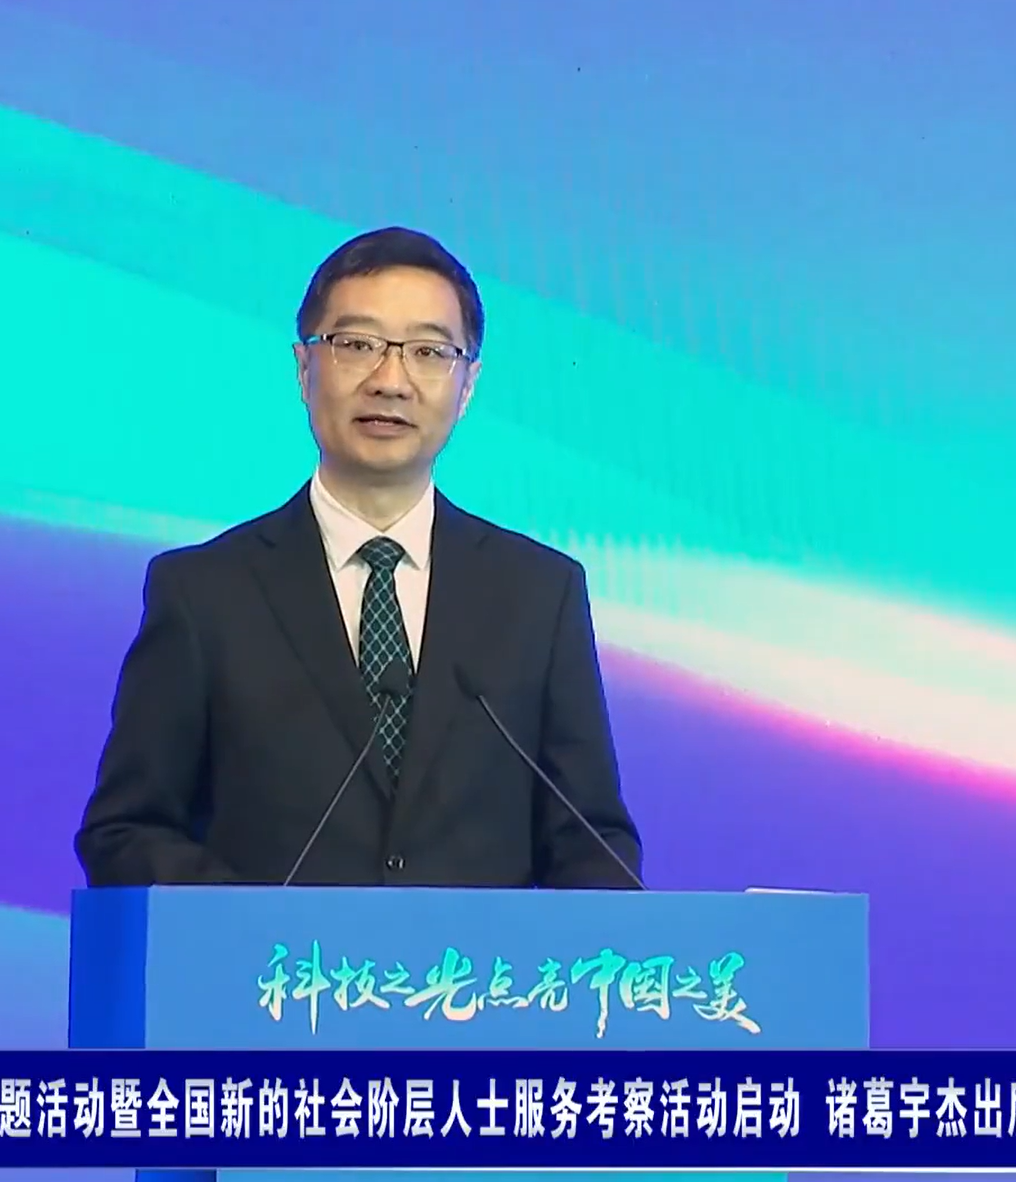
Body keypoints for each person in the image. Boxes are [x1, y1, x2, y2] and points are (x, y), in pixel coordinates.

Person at [74, 226, 642, 889]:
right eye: (356, 345)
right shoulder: (204, 592)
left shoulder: (538, 594)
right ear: (304, 368)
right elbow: (127, 831)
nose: (390, 381)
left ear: (467, 386)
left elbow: (591, 840)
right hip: (273, 958)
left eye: (429, 352)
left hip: (473, 961)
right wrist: (257, 926)